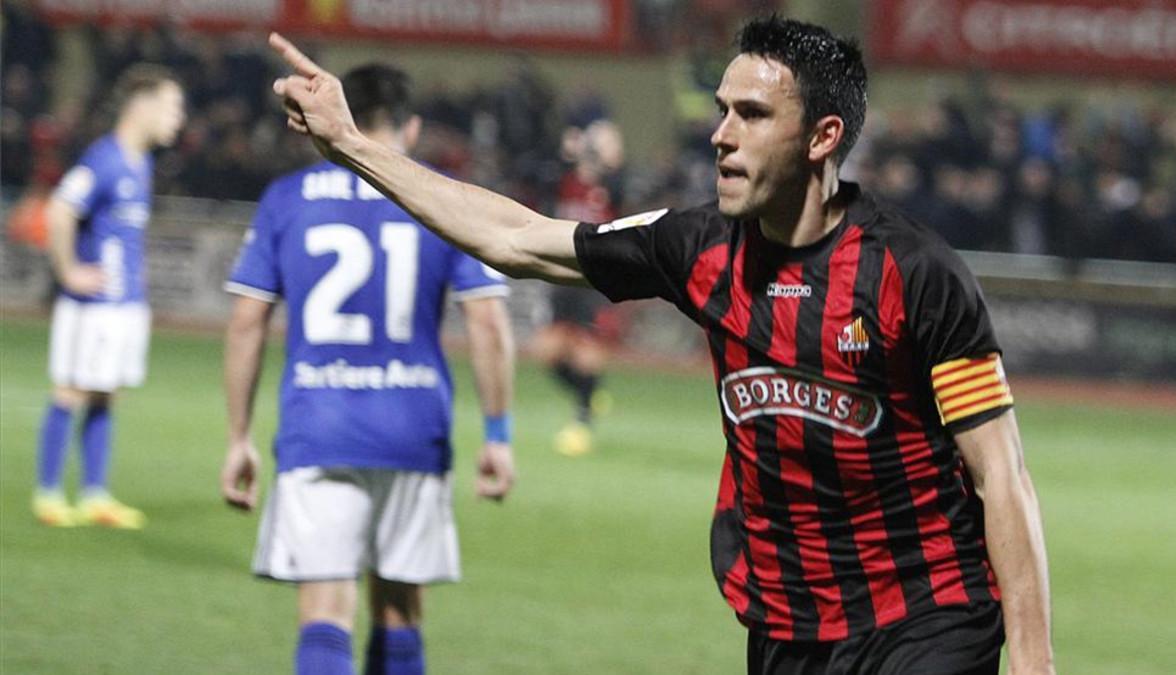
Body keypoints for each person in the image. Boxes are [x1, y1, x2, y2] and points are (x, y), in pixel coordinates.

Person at [268, 15, 1055, 675]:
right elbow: (516, 239)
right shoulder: (696, 246)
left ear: (823, 136)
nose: (720, 135)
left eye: (751, 115)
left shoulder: (915, 275)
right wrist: (353, 146)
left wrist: (1033, 658)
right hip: (785, 624)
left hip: (928, 615)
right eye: (722, 110)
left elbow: (1002, 474)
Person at [221, 63, 517, 675]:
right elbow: (486, 324)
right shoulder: (444, 200)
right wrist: (497, 435)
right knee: (400, 608)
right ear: (410, 126)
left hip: (318, 425)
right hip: (412, 427)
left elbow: (248, 322)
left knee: (325, 609)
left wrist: (238, 438)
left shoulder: (287, 198)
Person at [33, 63, 185, 529]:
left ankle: (96, 494)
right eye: (172, 107)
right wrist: (69, 271)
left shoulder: (141, 163)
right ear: (142, 106)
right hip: (92, 304)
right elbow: (58, 210)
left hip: (124, 304)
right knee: (72, 390)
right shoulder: (105, 158)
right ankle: (49, 493)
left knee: (106, 394)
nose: (178, 119)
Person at [536, 119, 626, 456]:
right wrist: (563, 151)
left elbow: (621, 179)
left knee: (588, 350)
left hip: (594, 276)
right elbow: (536, 172)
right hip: (561, 276)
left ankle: (581, 423)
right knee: (548, 352)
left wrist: (611, 156)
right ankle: (587, 393)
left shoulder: (612, 186)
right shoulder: (562, 180)